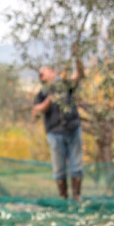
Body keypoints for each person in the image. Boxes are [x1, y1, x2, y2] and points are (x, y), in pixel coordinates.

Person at [31, 58, 85, 201]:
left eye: (47, 71)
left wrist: (78, 57)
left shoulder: (64, 85)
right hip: (55, 133)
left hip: (73, 128)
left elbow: (78, 76)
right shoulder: (42, 93)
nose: (44, 74)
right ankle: (63, 196)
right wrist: (50, 98)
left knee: (77, 163)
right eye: (43, 73)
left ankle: (76, 195)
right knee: (59, 166)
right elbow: (37, 110)